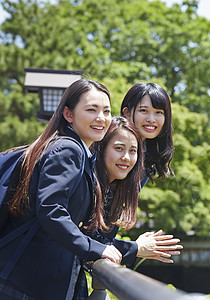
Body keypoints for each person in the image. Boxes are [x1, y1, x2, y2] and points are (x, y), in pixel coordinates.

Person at [0, 79, 121, 300]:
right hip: (23, 280)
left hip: (27, 278)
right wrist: (94, 248)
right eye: (91, 110)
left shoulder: (78, 152)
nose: (101, 118)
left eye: (106, 111)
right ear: (68, 114)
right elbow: (51, 210)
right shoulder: (68, 149)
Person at [89, 116, 182, 267]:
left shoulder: (116, 188)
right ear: (101, 148)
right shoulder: (88, 183)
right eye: (119, 148)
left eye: (133, 151)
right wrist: (136, 248)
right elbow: (85, 240)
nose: (126, 157)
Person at [121, 82, 174, 186]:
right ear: (127, 113)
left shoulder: (147, 155)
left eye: (158, 112)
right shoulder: (110, 144)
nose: (151, 119)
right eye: (144, 110)